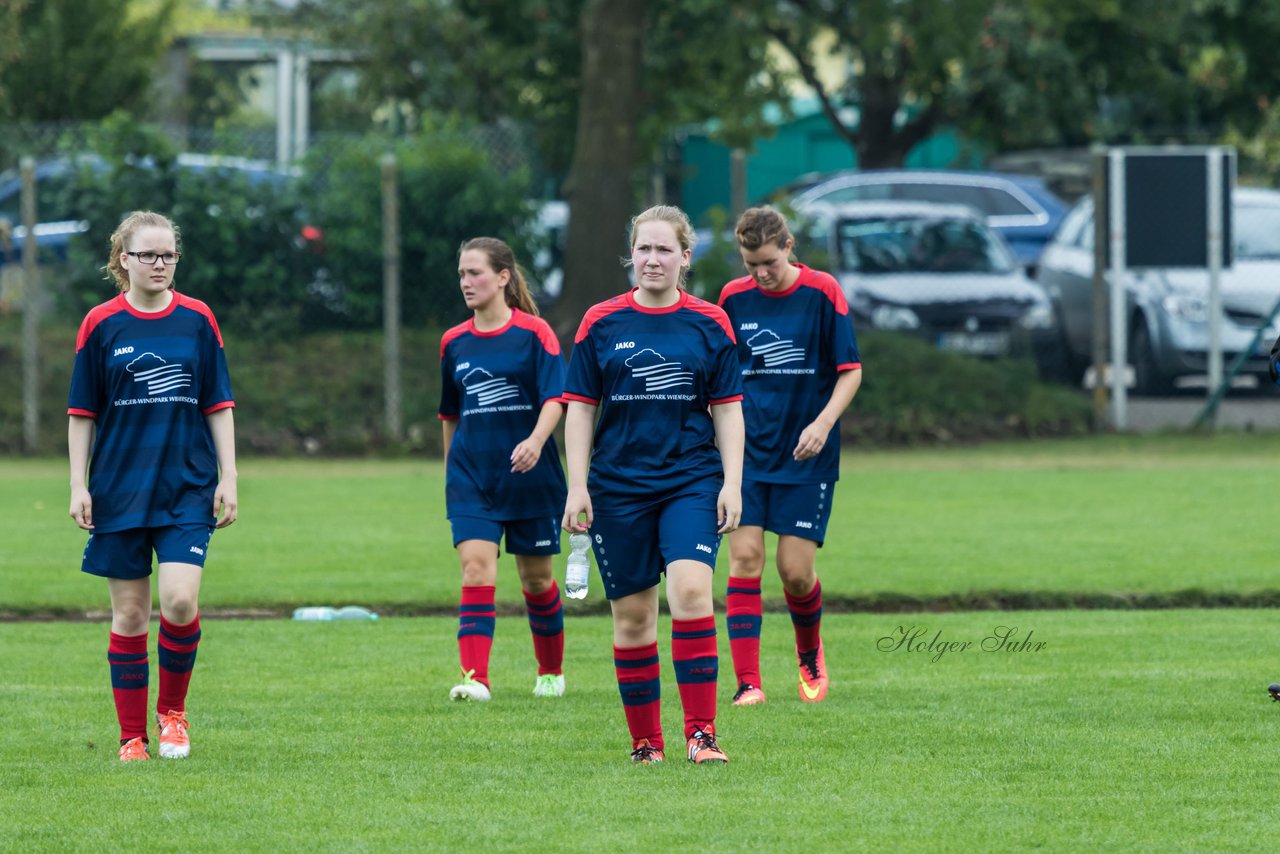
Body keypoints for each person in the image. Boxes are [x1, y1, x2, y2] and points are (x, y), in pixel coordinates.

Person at [562, 205, 745, 764]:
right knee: (635, 617)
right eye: (644, 249)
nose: (653, 259)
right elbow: (579, 410)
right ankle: (646, 743)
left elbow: (729, 409)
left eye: (665, 249)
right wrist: (577, 486)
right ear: (631, 256)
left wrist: (732, 482)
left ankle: (702, 735)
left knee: (690, 593)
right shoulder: (600, 321)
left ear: (686, 258)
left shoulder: (711, 322)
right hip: (617, 487)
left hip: (691, 479)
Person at [68, 210, 237, 762]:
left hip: (187, 485)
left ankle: (173, 716)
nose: (160, 264)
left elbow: (218, 402)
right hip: (119, 487)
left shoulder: (198, 319)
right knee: (132, 615)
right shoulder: (100, 323)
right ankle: (131, 737)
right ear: (124, 260)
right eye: (148, 255)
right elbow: (81, 412)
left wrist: (229, 476)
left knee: (181, 602)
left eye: (168, 254)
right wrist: (78, 484)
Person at [716, 206, 862, 706]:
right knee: (746, 558)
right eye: (750, 263)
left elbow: (850, 371)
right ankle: (748, 683)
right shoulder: (733, 298)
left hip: (806, 456)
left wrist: (822, 424)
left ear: (789, 247)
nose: (760, 273)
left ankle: (809, 652)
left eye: (769, 263)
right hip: (747, 453)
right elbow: (722, 377)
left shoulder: (824, 292)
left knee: (795, 571)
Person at [439, 237, 569, 702]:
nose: (466, 282)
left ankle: (551, 671)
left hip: (531, 479)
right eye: (461, 274)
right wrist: (452, 471)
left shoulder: (535, 334)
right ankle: (476, 679)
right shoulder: (453, 342)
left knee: (536, 579)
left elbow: (557, 397)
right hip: (473, 479)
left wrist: (536, 441)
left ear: (502, 278)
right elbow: (450, 415)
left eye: (474, 273)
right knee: (476, 571)